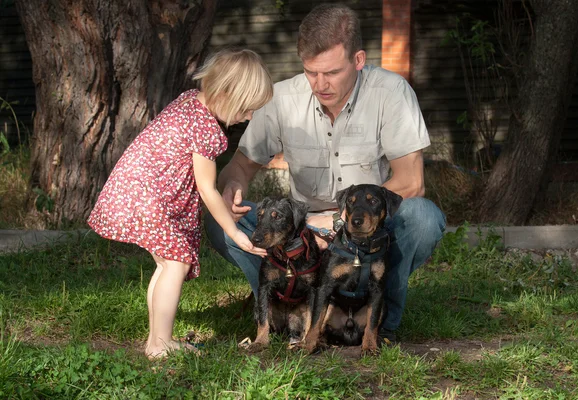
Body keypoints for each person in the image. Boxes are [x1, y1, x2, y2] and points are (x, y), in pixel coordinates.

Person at [205, 4, 446, 342]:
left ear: (358, 60)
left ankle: (380, 320)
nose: (320, 84)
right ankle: (281, 303)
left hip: (362, 232)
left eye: (331, 73)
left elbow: (411, 181)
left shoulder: (391, 93)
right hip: (297, 236)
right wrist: (233, 186)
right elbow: (239, 166)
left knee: (423, 217)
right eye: (311, 72)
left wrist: (336, 222)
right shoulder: (282, 98)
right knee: (220, 220)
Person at [87, 48, 273, 359]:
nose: (249, 117)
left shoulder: (189, 101)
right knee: (176, 262)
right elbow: (208, 190)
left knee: (165, 265)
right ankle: (161, 345)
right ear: (228, 94)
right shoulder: (205, 129)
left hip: (136, 190)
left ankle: (157, 340)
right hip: (150, 198)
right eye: (247, 108)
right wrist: (235, 232)